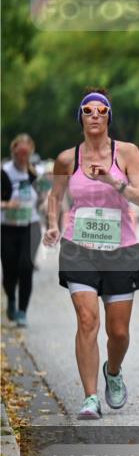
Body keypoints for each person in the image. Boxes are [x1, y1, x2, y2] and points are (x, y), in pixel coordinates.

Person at [43, 89, 139, 420]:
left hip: (121, 250)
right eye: (88, 110)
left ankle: (113, 371)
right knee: (87, 320)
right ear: (80, 117)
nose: (94, 115)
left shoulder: (128, 153)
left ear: (108, 117)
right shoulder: (67, 159)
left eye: (101, 110)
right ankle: (90, 397)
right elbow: (55, 196)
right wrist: (53, 225)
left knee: (118, 333)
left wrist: (113, 182)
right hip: (79, 249)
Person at [1, 134, 41, 326]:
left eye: (26, 153)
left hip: (30, 225)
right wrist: (7, 205)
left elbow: (45, 196)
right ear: (14, 151)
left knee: (26, 266)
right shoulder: (4, 172)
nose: (23, 156)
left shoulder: (35, 173)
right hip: (7, 227)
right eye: (20, 152)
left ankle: (22, 311)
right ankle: (11, 298)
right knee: (9, 270)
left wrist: (47, 204)